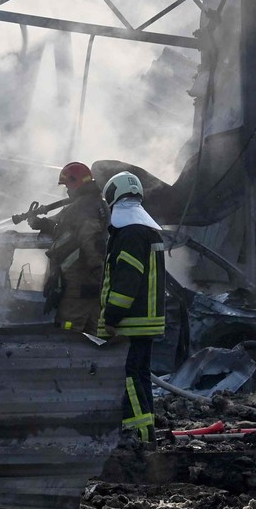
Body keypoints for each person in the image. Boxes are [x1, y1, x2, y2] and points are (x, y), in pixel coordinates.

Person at [96, 171, 165, 443]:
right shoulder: (147, 229)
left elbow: (126, 282)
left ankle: (137, 436)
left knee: (126, 377)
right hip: (145, 322)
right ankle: (147, 435)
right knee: (139, 376)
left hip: (130, 322)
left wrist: (112, 316)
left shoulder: (130, 233)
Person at [28, 161, 107, 332]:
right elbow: (62, 225)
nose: (66, 190)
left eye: (67, 185)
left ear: (75, 182)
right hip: (85, 283)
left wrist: (98, 273)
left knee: (69, 331)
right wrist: (40, 223)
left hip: (79, 284)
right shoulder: (86, 204)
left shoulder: (86, 206)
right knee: (94, 331)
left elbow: (90, 240)